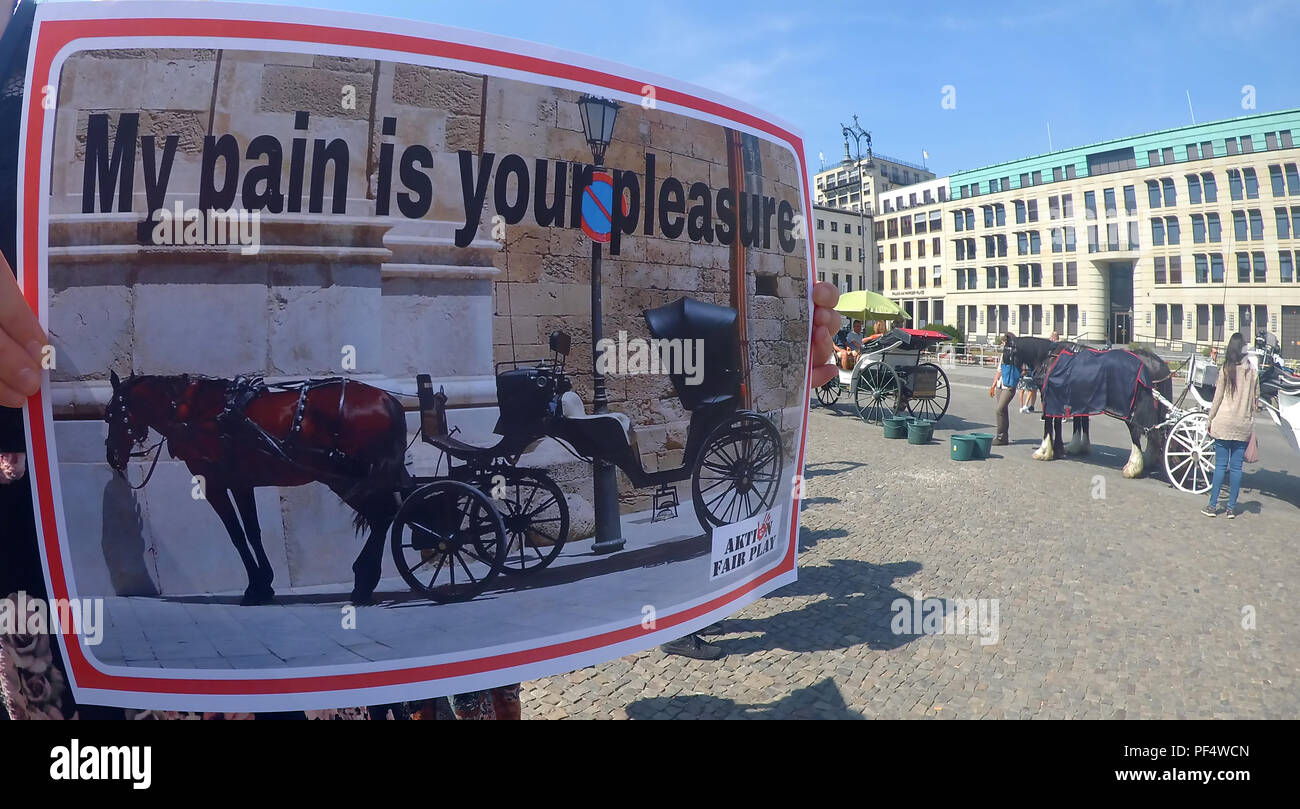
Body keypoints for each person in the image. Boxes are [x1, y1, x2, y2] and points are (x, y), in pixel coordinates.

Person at [663, 281, 841, 661]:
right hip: (710, 457)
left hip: (714, 453)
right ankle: (681, 630)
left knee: (711, 547)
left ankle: (699, 616)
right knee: (703, 551)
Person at [1203, 332, 1257, 519]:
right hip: (1242, 425)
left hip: (1224, 423)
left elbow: (1217, 398)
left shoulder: (1226, 369)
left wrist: (1209, 419)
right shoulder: (1252, 372)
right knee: (1236, 469)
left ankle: (1212, 506)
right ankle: (1231, 508)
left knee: (1219, 467)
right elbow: (1255, 402)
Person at [991, 332, 1020, 446]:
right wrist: (993, 384)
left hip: (1009, 385)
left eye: (1004, 342)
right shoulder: (1004, 354)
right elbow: (999, 370)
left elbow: (1023, 369)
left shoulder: (1017, 354)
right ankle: (1003, 437)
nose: (1003, 344)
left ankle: (1000, 437)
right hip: (1000, 384)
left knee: (999, 409)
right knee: (1003, 411)